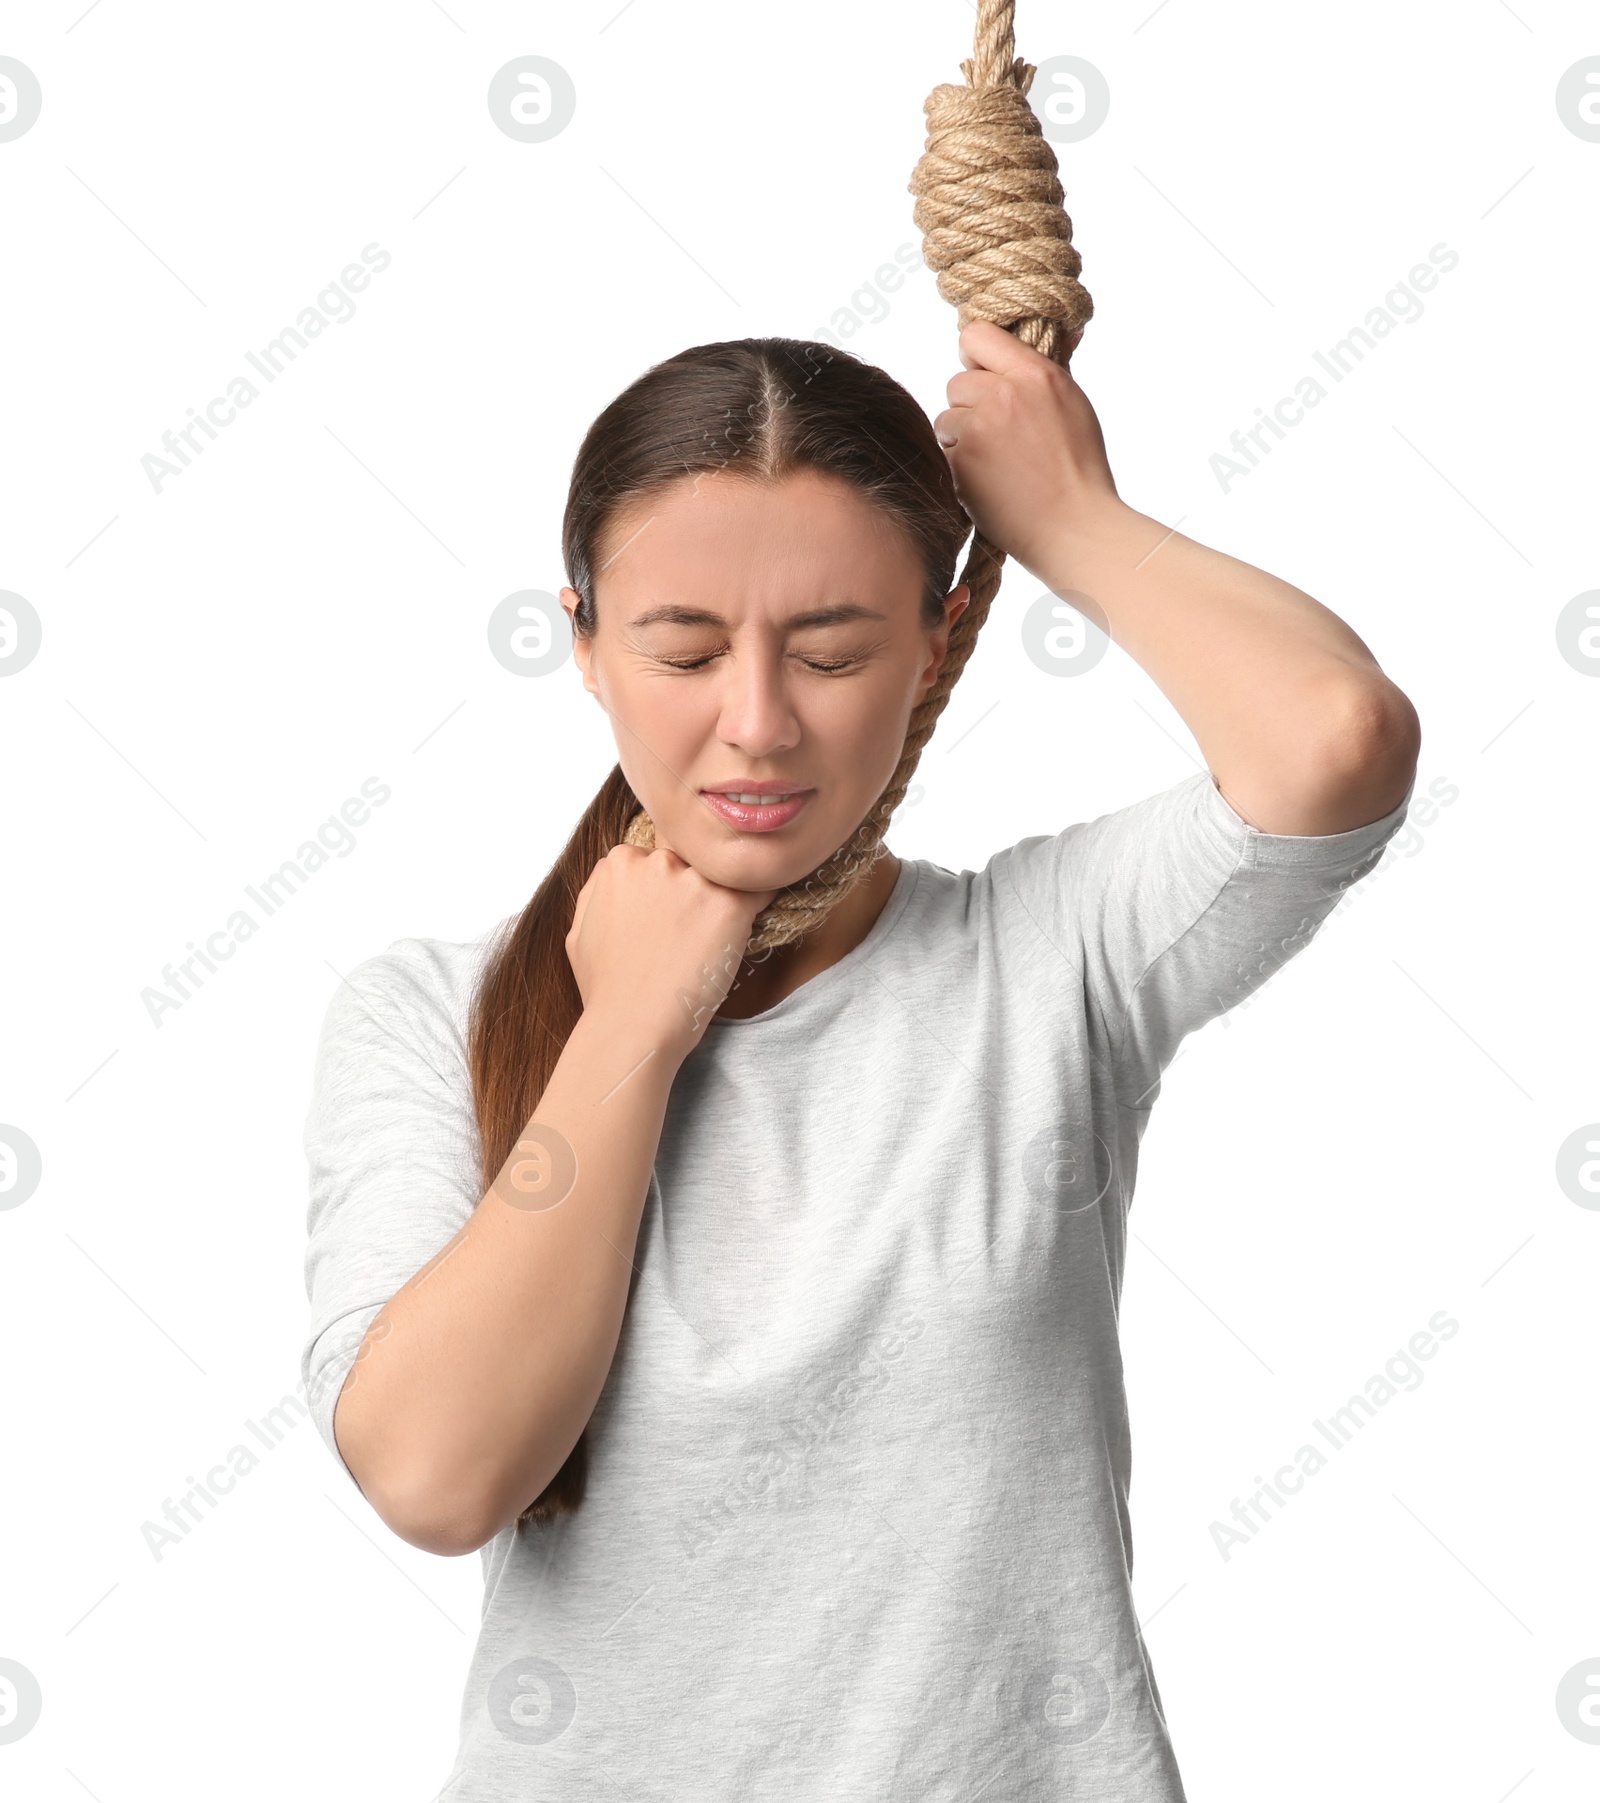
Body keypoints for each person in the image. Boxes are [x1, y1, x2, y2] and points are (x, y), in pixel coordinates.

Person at [300, 322, 1419, 1799]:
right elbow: (438, 1477)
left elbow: (1334, 743)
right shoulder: (425, 1014)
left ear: (937, 644)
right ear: (581, 641)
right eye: (684, 649)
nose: (756, 726)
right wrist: (632, 1026)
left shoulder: (1048, 958)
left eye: (832, 650)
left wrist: (1075, 521)